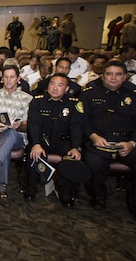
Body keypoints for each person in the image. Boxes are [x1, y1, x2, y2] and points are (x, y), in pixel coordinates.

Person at [80, 60, 136, 229]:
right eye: (109, 74)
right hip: (99, 141)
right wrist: (93, 136)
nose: (113, 78)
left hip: (128, 141)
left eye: (118, 74)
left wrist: (132, 143)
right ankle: (98, 195)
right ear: (103, 76)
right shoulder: (89, 94)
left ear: (125, 77)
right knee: (93, 162)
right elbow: (82, 120)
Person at [26, 74, 89, 206]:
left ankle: (66, 193)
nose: (55, 88)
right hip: (42, 140)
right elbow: (34, 125)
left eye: (60, 85)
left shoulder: (73, 104)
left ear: (66, 89)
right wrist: (36, 143)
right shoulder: (37, 101)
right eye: (52, 84)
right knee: (33, 153)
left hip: (64, 142)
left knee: (71, 158)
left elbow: (76, 127)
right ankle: (31, 189)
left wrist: (76, 147)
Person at [0, 64, 33, 207]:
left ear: (18, 79)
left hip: (16, 136)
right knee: (5, 140)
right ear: (2, 79)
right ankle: (1, 187)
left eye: (12, 77)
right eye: (6, 77)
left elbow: (27, 125)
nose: (9, 80)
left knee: (10, 133)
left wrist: (18, 126)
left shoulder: (27, 99)